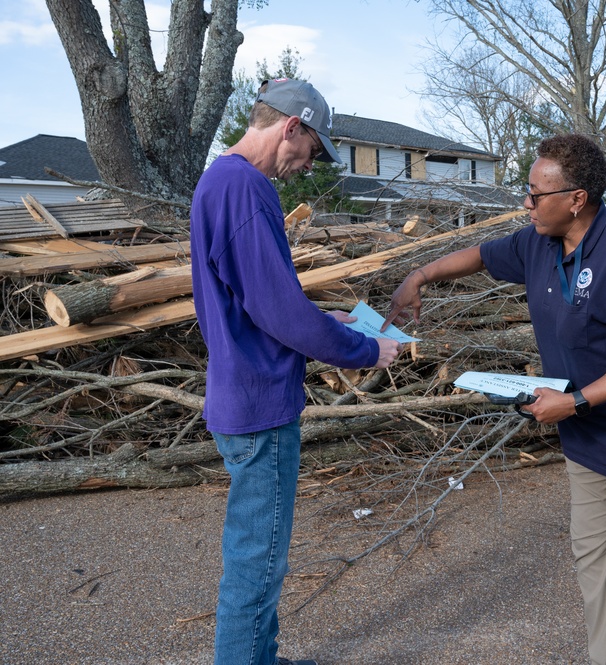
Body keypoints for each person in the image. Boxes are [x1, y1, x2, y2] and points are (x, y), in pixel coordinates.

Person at [384, 133, 606, 665]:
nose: (526, 203)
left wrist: (576, 401)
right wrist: (419, 275)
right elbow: (482, 257)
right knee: (591, 558)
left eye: (536, 194)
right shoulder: (538, 241)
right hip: (585, 440)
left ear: (576, 198)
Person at [190, 78, 401, 665]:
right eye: (309, 151)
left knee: (258, 554)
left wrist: (324, 316)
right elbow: (278, 311)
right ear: (291, 126)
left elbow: (257, 300)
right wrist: (364, 350)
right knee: (258, 561)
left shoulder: (220, 182)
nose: (303, 166)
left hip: (240, 393)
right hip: (259, 406)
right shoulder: (245, 188)